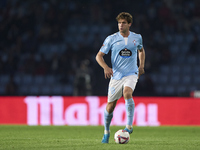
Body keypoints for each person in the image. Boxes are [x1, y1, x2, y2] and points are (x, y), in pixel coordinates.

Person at [95, 12, 145, 143]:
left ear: (129, 24)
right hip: (116, 76)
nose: (120, 25)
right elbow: (98, 56)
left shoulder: (137, 37)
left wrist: (141, 66)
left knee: (127, 93)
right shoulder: (111, 39)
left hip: (131, 73)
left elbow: (141, 50)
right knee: (110, 106)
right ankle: (106, 132)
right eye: (119, 23)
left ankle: (129, 125)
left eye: (123, 23)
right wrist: (106, 67)